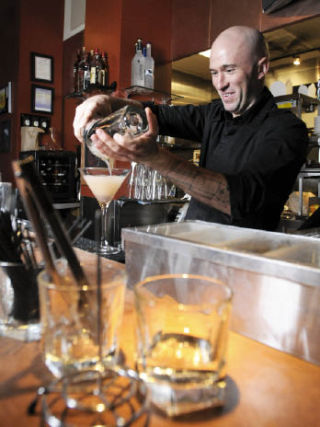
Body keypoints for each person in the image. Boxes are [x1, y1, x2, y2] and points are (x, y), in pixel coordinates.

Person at [73, 25, 308, 231]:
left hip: (241, 262)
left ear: (261, 69)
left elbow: (244, 199)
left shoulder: (287, 130)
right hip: (194, 248)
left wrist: (154, 157)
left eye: (229, 70)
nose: (220, 83)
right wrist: (104, 101)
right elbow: (155, 114)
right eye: (214, 73)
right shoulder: (215, 114)